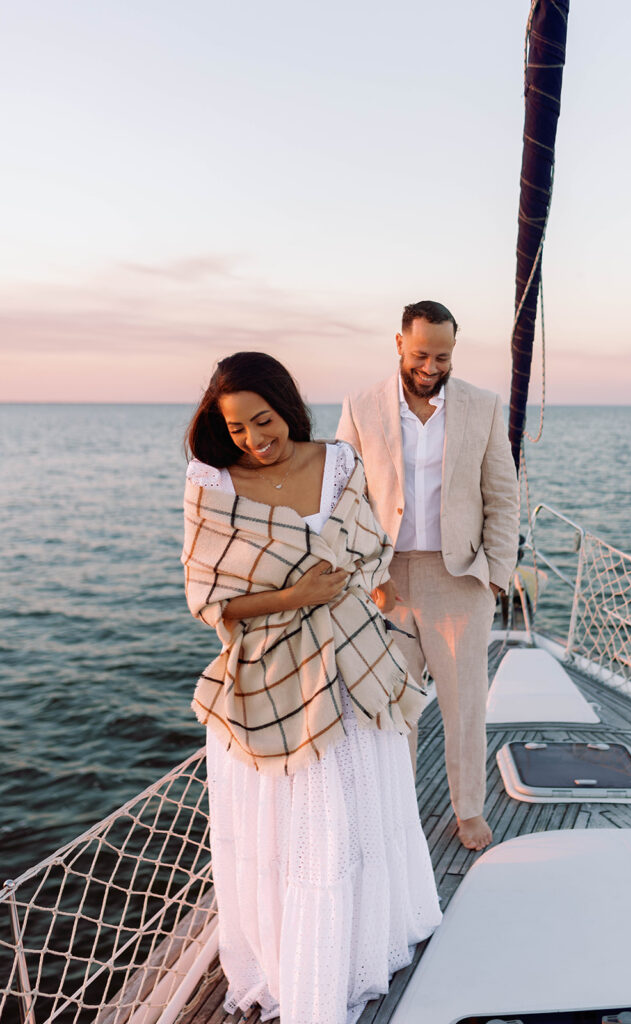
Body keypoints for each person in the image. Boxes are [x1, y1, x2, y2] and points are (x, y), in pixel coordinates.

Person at [182, 352, 441, 1024]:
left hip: (353, 661)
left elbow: (371, 555)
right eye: (235, 428)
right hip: (271, 677)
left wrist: (335, 592)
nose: (251, 439)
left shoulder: (340, 464)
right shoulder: (212, 481)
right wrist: (294, 595)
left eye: (260, 420)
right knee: (301, 835)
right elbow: (208, 602)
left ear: (285, 406)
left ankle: (358, 948)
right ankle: (302, 970)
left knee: (354, 819)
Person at [336, 300, 519, 852]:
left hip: (458, 577)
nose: (430, 366)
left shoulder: (483, 407)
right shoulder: (360, 405)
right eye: (420, 354)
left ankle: (468, 811)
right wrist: (362, 574)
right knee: (394, 705)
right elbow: (345, 499)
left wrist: (495, 577)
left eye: (442, 356)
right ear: (398, 344)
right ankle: (398, 812)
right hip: (384, 581)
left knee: (464, 705)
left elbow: (504, 497)